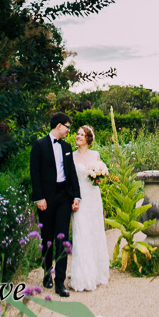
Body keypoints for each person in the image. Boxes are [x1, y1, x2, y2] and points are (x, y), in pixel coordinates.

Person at [30, 112, 81, 297]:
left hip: (63, 197)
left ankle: (60, 281)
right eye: (68, 127)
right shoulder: (39, 145)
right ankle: (46, 273)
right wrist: (39, 198)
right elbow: (34, 173)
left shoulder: (67, 147)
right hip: (46, 199)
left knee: (62, 239)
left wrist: (76, 196)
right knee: (48, 239)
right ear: (59, 126)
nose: (69, 130)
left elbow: (72, 173)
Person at [69, 124, 109, 291]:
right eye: (77, 134)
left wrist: (99, 175)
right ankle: (82, 276)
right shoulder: (71, 156)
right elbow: (70, 180)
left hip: (93, 198)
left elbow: (101, 174)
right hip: (79, 199)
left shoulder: (95, 155)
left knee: (94, 231)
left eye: (81, 135)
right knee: (81, 233)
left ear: (88, 139)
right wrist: (73, 198)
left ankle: (96, 272)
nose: (78, 137)